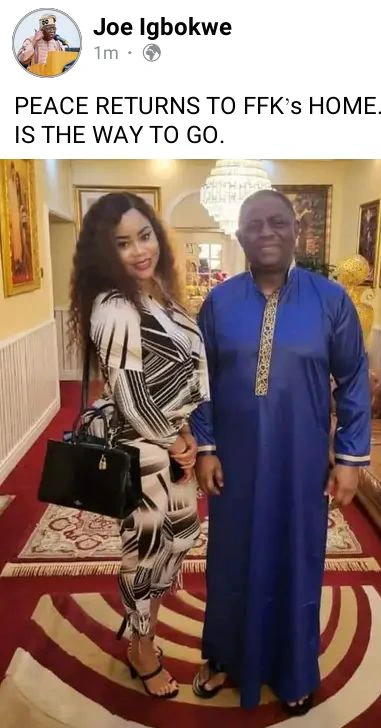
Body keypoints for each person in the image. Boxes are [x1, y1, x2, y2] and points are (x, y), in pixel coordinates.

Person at [189, 190, 371, 715]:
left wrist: (351, 457)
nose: (266, 232)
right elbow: (201, 382)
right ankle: (225, 656)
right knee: (230, 560)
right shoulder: (219, 304)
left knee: (296, 561)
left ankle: (293, 669)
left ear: (296, 231)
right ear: (239, 235)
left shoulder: (330, 301)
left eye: (277, 223)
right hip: (235, 463)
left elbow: (354, 379)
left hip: (301, 462)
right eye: (254, 224)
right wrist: (206, 447)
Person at [69, 193, 210, 699]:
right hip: (142, 451)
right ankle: (142, 647)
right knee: (145, 553)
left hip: (173, 442)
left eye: (144, 236)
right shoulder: (114, 306)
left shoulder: (159, 293)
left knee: (181, 539)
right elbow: (129, 399)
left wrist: (185, 432)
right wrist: (175, 440)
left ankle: (141, 629)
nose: (139, 250)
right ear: (105, 252)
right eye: (122, 243)